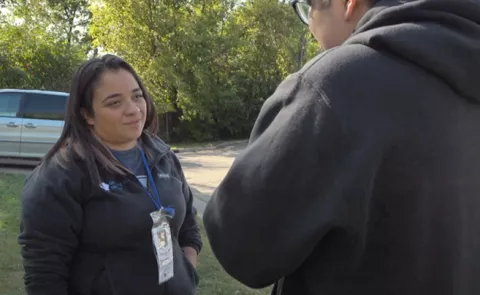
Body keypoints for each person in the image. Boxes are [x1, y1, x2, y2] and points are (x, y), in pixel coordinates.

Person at [203, 0, 480, 294]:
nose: (309, 24)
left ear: (349, 4)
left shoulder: (336, 84)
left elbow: (241, 248)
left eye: (307, 6)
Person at [18, 54, 202, 295]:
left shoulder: (163, 157)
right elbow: (44, 277)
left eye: (137, 96)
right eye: (114, 103)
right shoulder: (60, 176)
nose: (134, 110)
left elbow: (188, 225)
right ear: (87, 114)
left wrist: (186, 271)